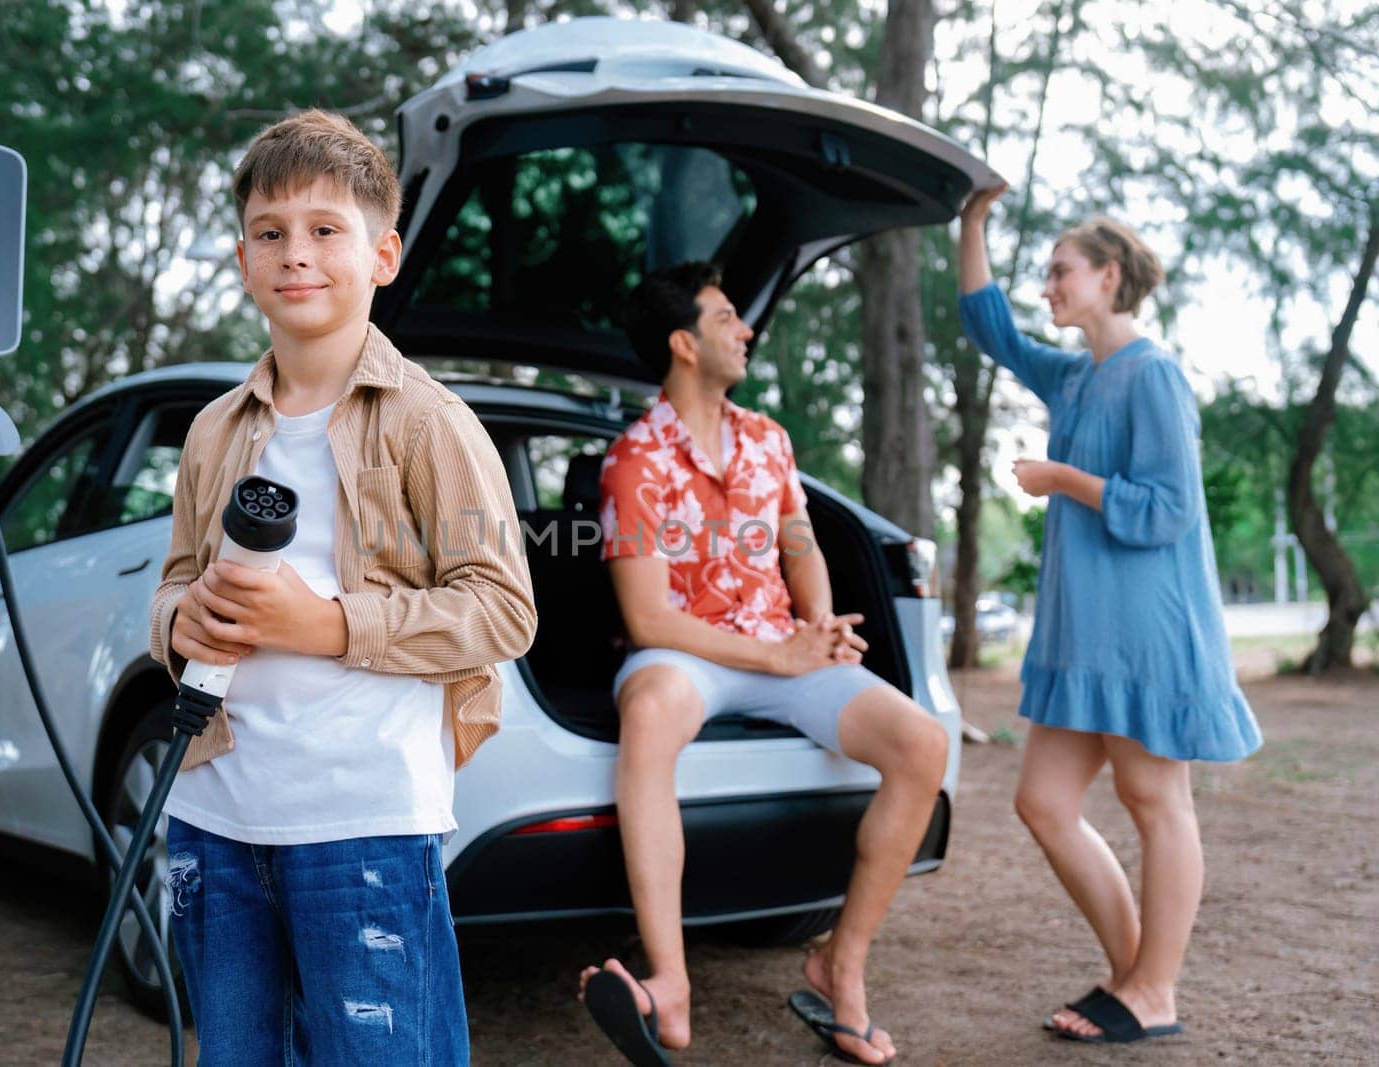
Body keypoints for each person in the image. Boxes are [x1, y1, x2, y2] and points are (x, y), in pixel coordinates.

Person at [148, 109, 536, 1065]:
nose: (298, 254)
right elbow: (171, 588)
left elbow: (502, 608)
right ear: (244, 261)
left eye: (327, 230)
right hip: (216, 817)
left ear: (384, 255)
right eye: (272, 234)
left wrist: (324, 625)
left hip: (361, 822)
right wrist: (181, 620)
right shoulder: (211, 432)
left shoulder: (429, 424)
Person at [577, 262, 950, 1066]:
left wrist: (819, 626)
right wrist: (779, 653)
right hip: (688, 652)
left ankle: (840, 963)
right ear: (685, 343)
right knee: (648, 714)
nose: (745, 330)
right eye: (727, 317)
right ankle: (669, 985)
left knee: (923, 742)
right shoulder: (633, 460)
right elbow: (649, 617)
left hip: (783, 644)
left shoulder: (768, 440)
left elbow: (801, 548)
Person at [957, 186, 1262, 1044]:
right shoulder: (1075, 374)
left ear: (1109, 276)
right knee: (1044, 801)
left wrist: (1064, 482)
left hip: (1147, 630)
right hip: (1082, 636)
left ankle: (1153, 990)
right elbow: (993, 333)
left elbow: (1167, 509)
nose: (1048, 285)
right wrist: (972, 220)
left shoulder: (1154, 375)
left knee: (1156, 798)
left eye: (1060, 271)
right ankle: (1137, 970)